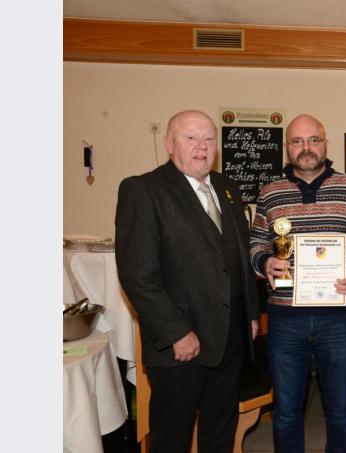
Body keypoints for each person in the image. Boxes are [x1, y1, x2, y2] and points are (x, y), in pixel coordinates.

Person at [115, 109, 260, 452]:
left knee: (220, 432)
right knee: (172, 437)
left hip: (230, 339)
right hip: (181, 345)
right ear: (169, 144)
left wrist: (251, 313)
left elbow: (239, 256)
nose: (202, 146)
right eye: (190, 137)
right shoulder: (143, 190)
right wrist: (176, 332)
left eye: (209, 139)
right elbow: (138, 276)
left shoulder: (227, 187)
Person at [249, 114, 346, 453]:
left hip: (339, 317)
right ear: (287, 148)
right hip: (285, 318)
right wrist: (266, 261)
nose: (306, 148)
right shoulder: (270, 192)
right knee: (285, 412)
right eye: (297, 141)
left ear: (325, 143)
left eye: (313, 140)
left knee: (342, 410)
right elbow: (256, 243)